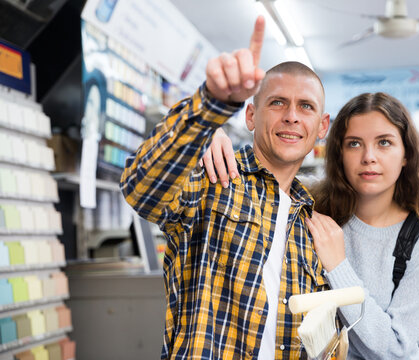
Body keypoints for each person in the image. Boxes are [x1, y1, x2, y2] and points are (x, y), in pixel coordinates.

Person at [120, 16, 331, 360]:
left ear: (321, 126)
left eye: (305, 106)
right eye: (277, 102)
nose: (292, 116)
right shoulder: (214, 176)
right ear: (250, 116)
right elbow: (140, 188)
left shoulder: (313, 224)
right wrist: (211, 108)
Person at [203, 92, 419, 359]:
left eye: (384, 143)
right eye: (354, 144)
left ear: (406, 154)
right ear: (339, 154)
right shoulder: (311, 211)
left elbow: (394, 349)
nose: (369, 157)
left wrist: (338, 266)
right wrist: (208, 138)